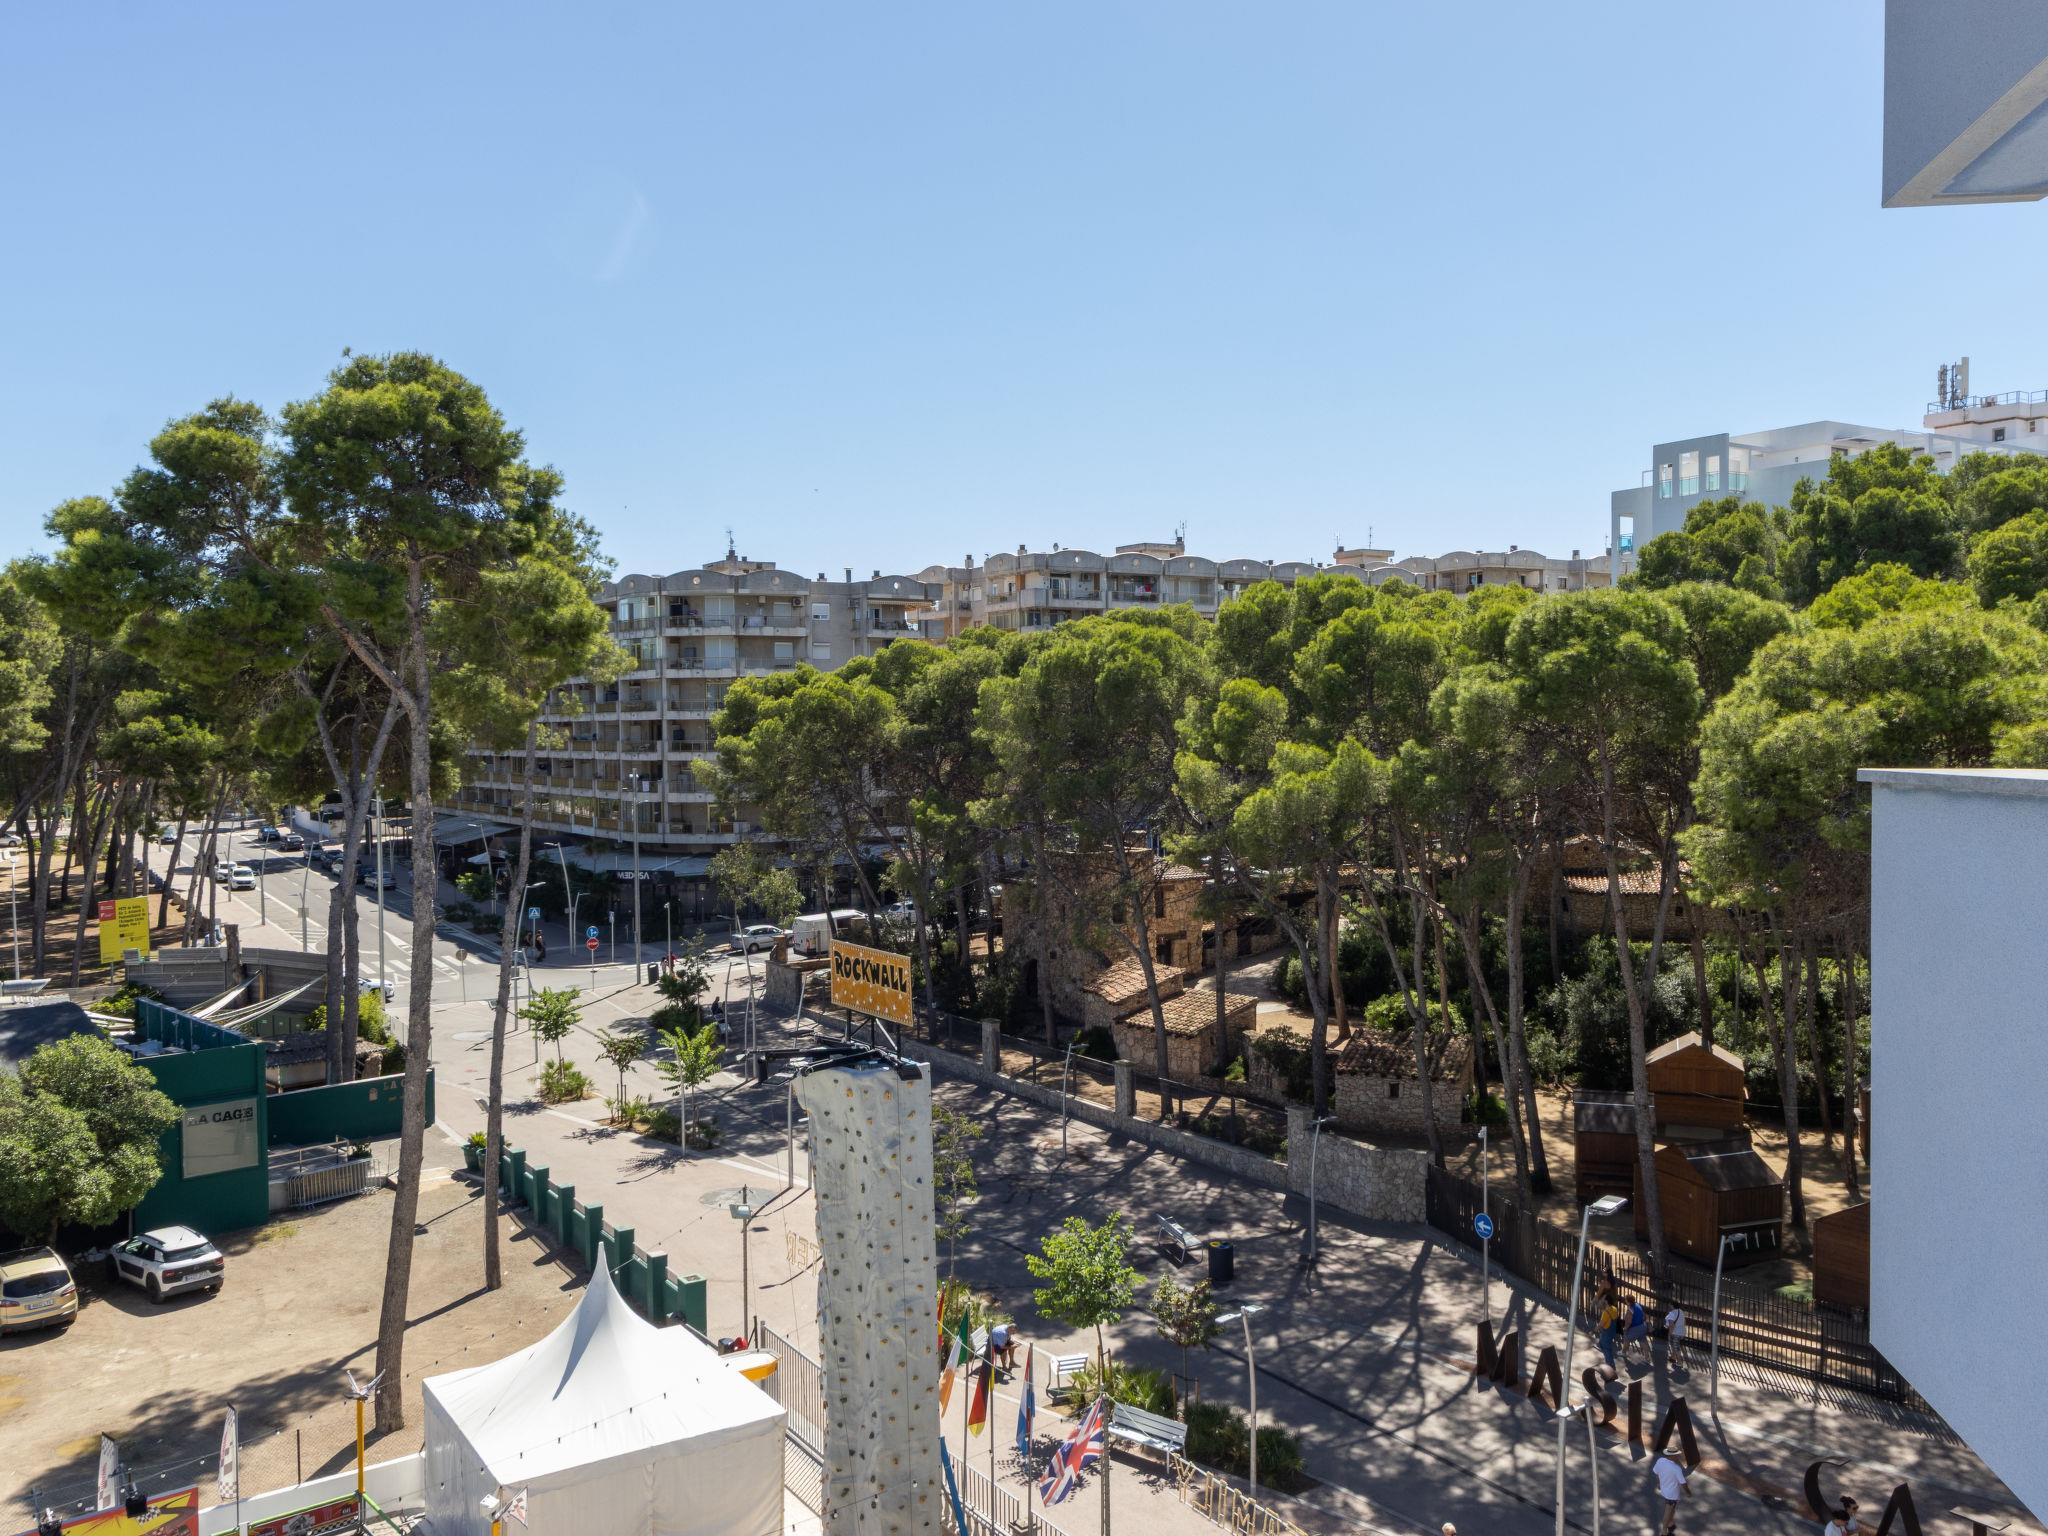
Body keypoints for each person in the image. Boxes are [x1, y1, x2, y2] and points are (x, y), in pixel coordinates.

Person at [1651, 1451, 1687, 1534]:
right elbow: (1683, 1483)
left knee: (1672, 1509)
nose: (1678, 1456)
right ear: (1672, 1456)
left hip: (1665, 1490)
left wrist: (1659, 1483)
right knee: (1668, 1511)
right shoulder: (1676, 1468)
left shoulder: (1660, 1461)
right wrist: (1688, 1492)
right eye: (1676, 1455)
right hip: (1672, 1494)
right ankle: (1664, 1531)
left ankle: (1670, 1523)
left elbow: (1657, 1472)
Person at [1596, 1298, 1622, 1371]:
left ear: (1606, 1303)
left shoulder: (1605, 1313)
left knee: (1607, 1349)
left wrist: (1595, 1329)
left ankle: (1610, 1365)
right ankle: (1601, 1345)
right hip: (1612, 1330)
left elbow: (1601, 1324)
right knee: (1602, 1343)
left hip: (1606, 1331)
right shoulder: (1614, 1309)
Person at [1664, 1302, 1688, 1373]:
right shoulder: (1681, 1311)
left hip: (1675, 1333)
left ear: (1672, 1306)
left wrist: (1669, 1335)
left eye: (1670, 1305)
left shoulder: (1671, 1314)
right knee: (1675, 1346)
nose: (1669, 1306)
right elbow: (1684, 1322)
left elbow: (1671, 1326)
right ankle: (1673, 1358)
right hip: (1682, 1332)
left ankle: (1679, 1362)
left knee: (1676, 1347)